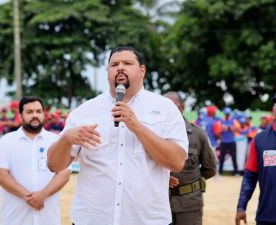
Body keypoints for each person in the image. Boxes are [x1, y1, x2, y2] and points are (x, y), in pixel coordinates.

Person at [47, 46, 188, 225]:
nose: (120, 67)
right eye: (114, 64)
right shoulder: (84, 111)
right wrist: (66, 139)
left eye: (127, 63)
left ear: (142, 70)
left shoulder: (165, 108)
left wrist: (136, 125)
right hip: (92, 219)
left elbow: (176, 162)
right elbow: (54, 165)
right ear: (108, 72)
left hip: (148, 220)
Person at [0, 96, 70, 225]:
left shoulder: (55, 141)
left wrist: (43, 195)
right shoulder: (6, 141)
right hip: (15, 218)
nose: (35, 115)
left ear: (43, 114)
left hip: (48, 218)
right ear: (21, 115)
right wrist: (26, 196)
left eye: (38, 111)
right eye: (29, 112)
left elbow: (64, 172)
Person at [164, 92, 216, 225]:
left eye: (172, 106)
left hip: (189, 203)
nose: (167, 110)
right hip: (159, 203)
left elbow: (210, 169)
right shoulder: (152, 134)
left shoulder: (198, 134)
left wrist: (189, 181)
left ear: (181, 108)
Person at [235, 94, 276, 225]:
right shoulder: (260, 140)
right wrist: (241, 206)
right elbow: (250, 176)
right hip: (267, 216)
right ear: (273, 110)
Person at [216, 107, 239, 175]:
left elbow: (238, 128)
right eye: (226, 114)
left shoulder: (233, 120)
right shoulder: (221, 121)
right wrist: (221, 136)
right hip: (224, 141)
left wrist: (231, 128)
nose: (227, 115)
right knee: (222, 157)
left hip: (232, 141)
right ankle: (220, 171)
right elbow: (218, 130)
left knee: (234, 156)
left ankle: (236, 172)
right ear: (224, 114)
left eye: (228, 114)